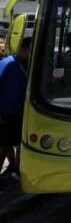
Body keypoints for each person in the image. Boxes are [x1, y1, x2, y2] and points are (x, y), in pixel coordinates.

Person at [0, 37, 32, 179]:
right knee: (3, 144)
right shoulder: (8, 63)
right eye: (31, 51)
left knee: (19, 144)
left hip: (22, 112)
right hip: (6, 113)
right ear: (24, 49)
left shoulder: (29, 64)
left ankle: (15, 170)